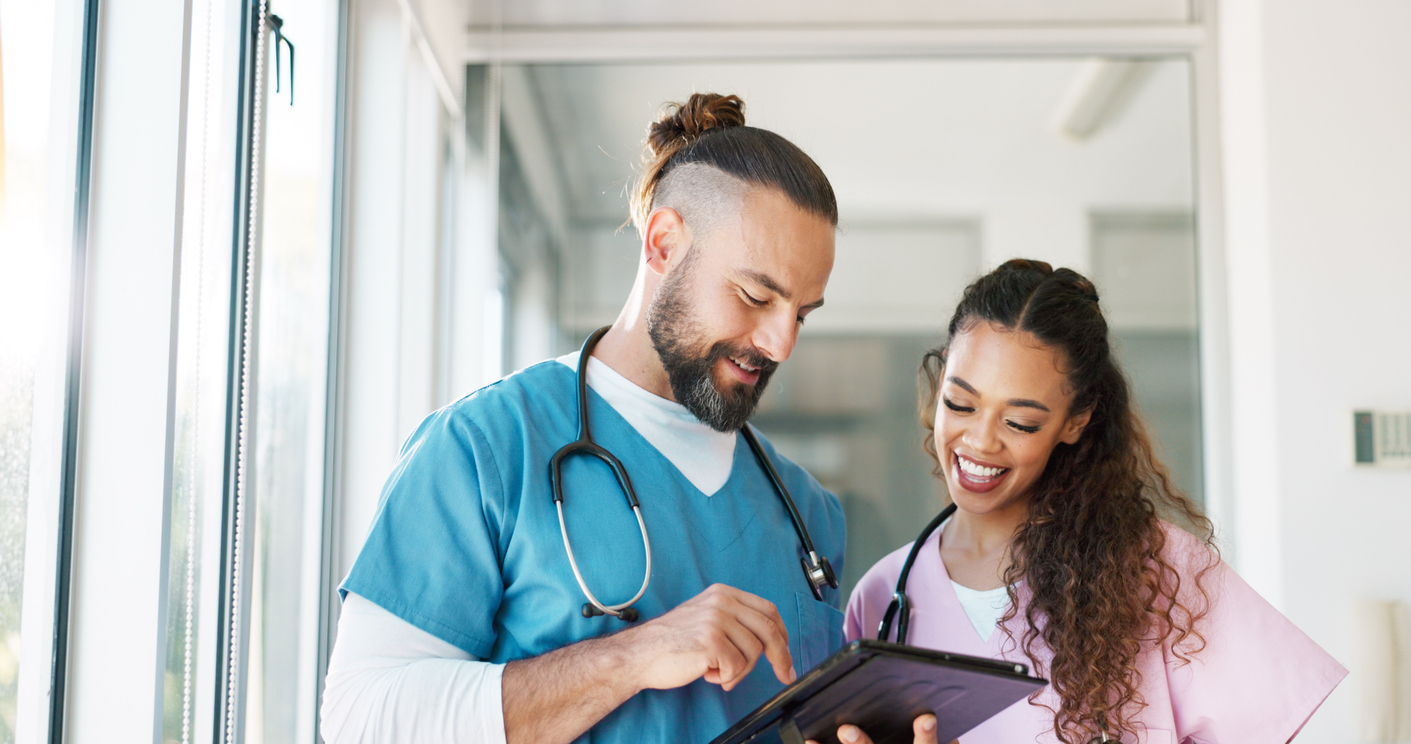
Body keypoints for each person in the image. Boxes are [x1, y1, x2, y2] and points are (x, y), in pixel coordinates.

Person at [318, 92, 852, 744]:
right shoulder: (485, 450)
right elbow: (362, 716)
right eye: (754, 295)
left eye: (800, 313)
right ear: (663, 244)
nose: (779, 343)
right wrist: (635, 656)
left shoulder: (807, 511)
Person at [841, 260, 1346, 744]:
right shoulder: (883, 597)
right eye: (960, 403)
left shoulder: (1158, 572)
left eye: (1019, 422)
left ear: (1075, 421)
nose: (981, 441)